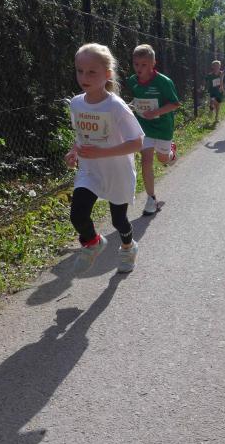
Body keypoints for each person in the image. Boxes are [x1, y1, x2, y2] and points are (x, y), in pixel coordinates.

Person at [65, 43, 143, 274]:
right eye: (80, 71)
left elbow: (137, 142)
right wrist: (74, 150)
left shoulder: (115, 106)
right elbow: (81, 135)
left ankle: (128, 247)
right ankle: (93, 243)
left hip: (117, 172)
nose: (84, 77)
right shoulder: (76, 103)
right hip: (90, 171)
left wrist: (101, 153)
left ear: (107, 74)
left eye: (92, 72)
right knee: (77, 214)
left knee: (118, 221)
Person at [126, 44, 180, 217]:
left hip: (163, 128)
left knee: (163, 159)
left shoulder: (163, 82)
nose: (139, 68)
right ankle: (151, 199)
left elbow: (175, 104)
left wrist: (156, 112)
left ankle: (170, 153)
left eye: (144, 65)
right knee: (146, 160)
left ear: (153, 64)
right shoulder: (132, 81)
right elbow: (136, 99)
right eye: (136, 64)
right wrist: (130, 106)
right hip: (145, 128)